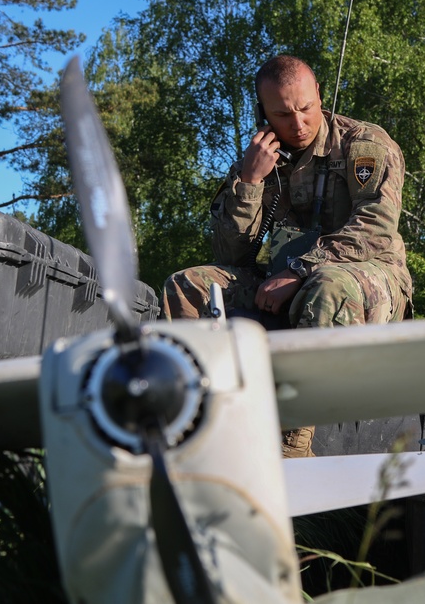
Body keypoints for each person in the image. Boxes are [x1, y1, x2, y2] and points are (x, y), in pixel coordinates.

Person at [163, 55, 412, 456]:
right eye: (282, 114)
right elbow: (231, 254)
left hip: (368, 282)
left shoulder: (364, 145)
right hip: (285, 281)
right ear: (264, 114)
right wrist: (250, 181)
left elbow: (375, 229)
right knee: (190, 286)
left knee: (327, 285)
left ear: (319, 96)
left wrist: (300, 268)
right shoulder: (257, 161)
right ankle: (195, 426)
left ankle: (290, 449)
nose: (297, 124)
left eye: (306, 109)